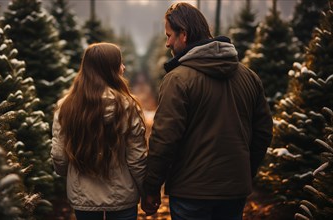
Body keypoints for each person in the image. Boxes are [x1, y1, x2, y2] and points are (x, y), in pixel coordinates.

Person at [141, 2, 273, 220]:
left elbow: (164, 139)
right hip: (234, 191)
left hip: (191, 193)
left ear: (183, 34)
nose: (167, 43)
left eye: (169, 35)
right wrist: (244, 173)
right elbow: (263, 132)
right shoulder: (249, 76)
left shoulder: (177, 79)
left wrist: (151, 186)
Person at [51, 42, 147, 220]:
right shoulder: (128, 106)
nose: (124, 67)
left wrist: (71, 174)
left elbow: (59, 155)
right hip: (122, 196)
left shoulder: (66, 106)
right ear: (108, 69)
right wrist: (147, 192)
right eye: (120, 63)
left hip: (83, 197)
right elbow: (137, 158)